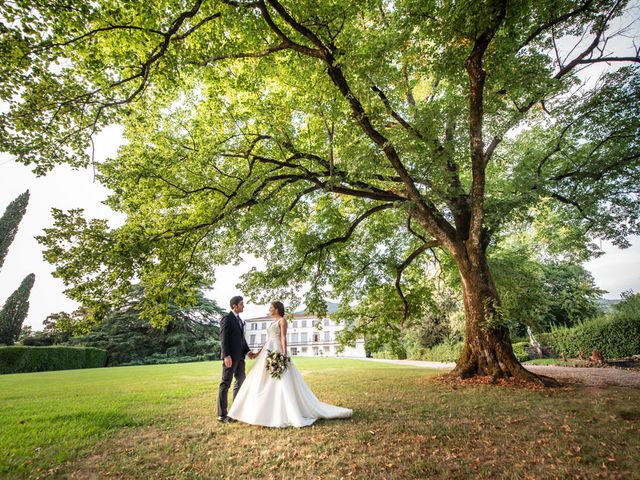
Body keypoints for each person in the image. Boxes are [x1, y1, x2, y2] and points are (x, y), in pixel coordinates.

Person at [227, 301, 352, 427]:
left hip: (277, 351)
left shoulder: (282, 321)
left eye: (271, 308)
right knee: (262, 379)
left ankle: (283, 410)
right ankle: (263, 409)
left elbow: (283, 337)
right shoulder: (271, 323)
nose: (269, 309)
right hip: (268, 351)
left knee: (280, 378)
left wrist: (284, 353)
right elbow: (268, 340)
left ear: (276, 309)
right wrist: (258, 353)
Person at [217, 295, 256, 423]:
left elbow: (241, 339)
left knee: (240, 382)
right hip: (230, 357)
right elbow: (223, 339)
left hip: (240, 358)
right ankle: (222, 415)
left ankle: (236, 411)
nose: (243, 306)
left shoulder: (240, 320)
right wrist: (226, 355)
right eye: (241, 304)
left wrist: (248, 351)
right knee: (225, 384)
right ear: (234, 306)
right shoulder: (227, 318)